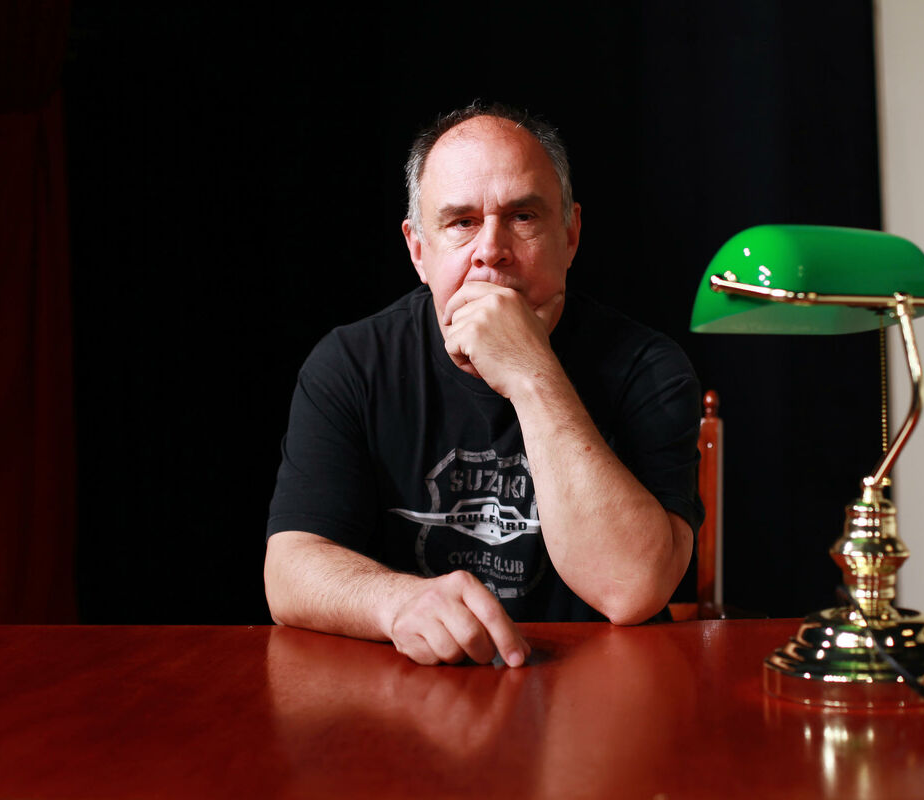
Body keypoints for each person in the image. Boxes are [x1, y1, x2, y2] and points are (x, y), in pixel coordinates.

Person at [265, 103, 701, 667]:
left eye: (523, 216)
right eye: (461, 222)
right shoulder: (351, 363)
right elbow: (289, 570)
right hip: (413, 689)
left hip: (596, 687)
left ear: (570, 235)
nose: (491, 249)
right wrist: (396, 602)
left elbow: (632, 589)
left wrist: (530, 373)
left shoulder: (649, 368)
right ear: (418, 250)